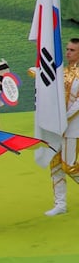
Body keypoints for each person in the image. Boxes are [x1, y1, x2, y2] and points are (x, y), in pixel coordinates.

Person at [45, 38, 79, 216]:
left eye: (72, 50)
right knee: (55, 164)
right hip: (57, 126)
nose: (68, 53)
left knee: (70, 166)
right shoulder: (63, 72)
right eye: (67, 49)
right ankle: (60, 204)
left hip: (73, 127)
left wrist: (64, 118)